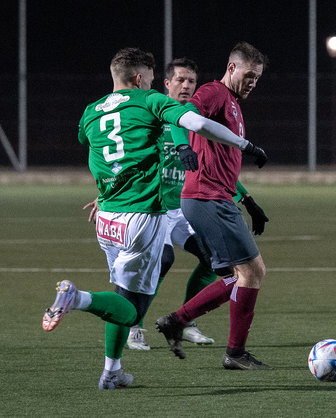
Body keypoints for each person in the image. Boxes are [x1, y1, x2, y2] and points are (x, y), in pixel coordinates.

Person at [42, 47, 267, 390]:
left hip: (107, 219)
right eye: (151, 79)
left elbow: (94, 148)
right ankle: (78, 298)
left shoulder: (91, 112)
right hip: (142, 218)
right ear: (139, 79)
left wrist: (105, 193)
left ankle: (112, 370)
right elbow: (197, 122)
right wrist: (246, 145)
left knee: (127, 293)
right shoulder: (151, 102)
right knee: (129, 310)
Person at [83, 57, 269, 350]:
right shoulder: (155, 112)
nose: (186, 86)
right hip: (154, 209)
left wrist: (245, 197)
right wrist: (106, 193)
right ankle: (135, 326)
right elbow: (126, 157)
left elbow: (213, 167)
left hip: (181, 209)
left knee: (213, 261)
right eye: (180, 80)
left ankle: (186, 321)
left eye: (191, 81)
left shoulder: (192, 120)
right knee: (163, 261)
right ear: (166, 83)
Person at [155, 42, 271, 370]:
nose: (253, 82)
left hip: (215, 197)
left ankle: (177, 321)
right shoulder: (215, 93)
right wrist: (181, 148)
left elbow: (222, 159)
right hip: (207, 198)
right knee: (252, 271)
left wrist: (248, 200)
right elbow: (181, 116)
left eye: (258, 78)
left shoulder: (232, 103)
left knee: (235, 278)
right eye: (249, 75)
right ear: (232, 67)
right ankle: (235, 353)